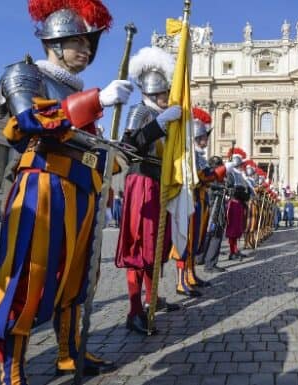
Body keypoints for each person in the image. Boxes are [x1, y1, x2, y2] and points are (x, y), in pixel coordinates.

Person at [0, 0, 130, 382]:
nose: (87, 50)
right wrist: (96, 101)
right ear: (54, 43)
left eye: (90, 44)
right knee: (28, 277)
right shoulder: (24, 73)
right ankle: (14, 369)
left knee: (76, 278)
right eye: (78, 42)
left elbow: (85, 142)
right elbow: (30, 119)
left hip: (80, 192)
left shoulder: (75, 90)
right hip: (42, 187)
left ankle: (68, 353)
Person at [114, 45, 185, 335]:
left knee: (155, 248)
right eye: (164, 94)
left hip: (159, 186)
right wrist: (158, 124)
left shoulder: (164, 118)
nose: (167, 98)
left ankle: (151, 297)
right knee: (139, 249)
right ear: (154, 93)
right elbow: (130, 147)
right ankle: (134, 310)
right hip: (141, 183)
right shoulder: (141, 112)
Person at [176, 107, 224, 298]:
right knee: (185, 241)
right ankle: (181, 281)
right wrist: (222, 170)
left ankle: (191, 274)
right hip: (190, 200)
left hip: (200, 201)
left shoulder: (198, 156)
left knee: (195, 241)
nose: (206, 141)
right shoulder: (190, 155)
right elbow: (203, 177)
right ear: (196, 136)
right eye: (204, 137)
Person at [225, 149, 253, 260]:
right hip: (233, 203)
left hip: (240, 203)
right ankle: (232, 251)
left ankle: (236, 250)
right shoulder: (230, 173)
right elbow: (229, 187)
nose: (241, 165)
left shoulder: (240, 175)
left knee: (237, 229)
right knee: (232, 229)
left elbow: (245, 189)